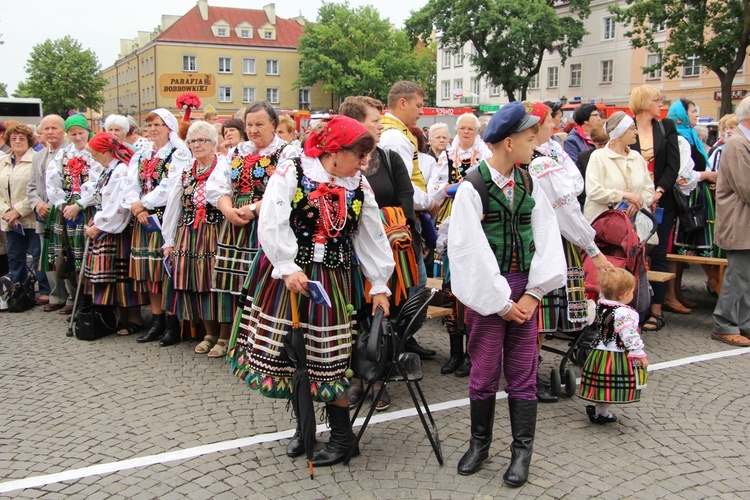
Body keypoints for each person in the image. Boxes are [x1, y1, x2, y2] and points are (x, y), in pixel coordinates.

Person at [228, 116, 394, 467]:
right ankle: (304, 428)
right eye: (358, 155)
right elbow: (273, 219)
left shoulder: (359, 185)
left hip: (333, 279)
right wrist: (287, 265)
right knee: (293, 352)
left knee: (330, 357)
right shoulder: (293, 171)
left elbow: (371, 235)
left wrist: (380, 283)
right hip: (289, 275)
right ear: (335, 152)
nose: (362, 163)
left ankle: (343, 437)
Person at [448, 102, 566, 483]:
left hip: (526, 290)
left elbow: (547, 237)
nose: (536, 145)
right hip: (488, 292)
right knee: (483, 371)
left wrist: (534, 293)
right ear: (510, 142)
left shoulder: (530, 181)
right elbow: (467, 250)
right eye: (531, 139)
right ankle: (479, 444)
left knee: (523, 371)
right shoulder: (473, 187)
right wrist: (498, 302)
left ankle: (521, 452)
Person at [521, 102, 612, 402]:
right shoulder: (539, 162)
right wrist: (591, 247)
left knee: (538, 313)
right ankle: (529, 375)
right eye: (550, 121)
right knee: (539, 315)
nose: (554, 126)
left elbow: (572, 187)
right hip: (552, 241)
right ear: (536, 126)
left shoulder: (543, 155)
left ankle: (530, 371)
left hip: (541, 239)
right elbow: (567, 208)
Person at [339, 95, 417, 411]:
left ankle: (379, 379)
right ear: (356, 124)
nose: (381, 126)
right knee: (355, 316)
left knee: (382, 318)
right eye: (375, 121)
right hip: (349, 256)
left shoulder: (388, 158)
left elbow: (406, 199)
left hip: (388, 248)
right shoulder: (343, 160)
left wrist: (388, 223)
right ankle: (357, 380)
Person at [207, 101, 299, 356]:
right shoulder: (237, 151)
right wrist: (227, 209)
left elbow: (289, 192)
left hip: (268, 224)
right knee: (231, 283)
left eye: (260, 124)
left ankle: (259, 341)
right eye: (249, 125)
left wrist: (255, 209)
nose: (253, 130)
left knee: (261, 283)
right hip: (235, 225)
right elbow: (217, 184)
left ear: (273, 124)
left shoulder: (287, 153)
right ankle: (232, 339)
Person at [428, 112, 492, 377]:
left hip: (476, 218)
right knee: (448, 288)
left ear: (477, 132)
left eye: (471, 129)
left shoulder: (485, 155)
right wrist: (449, 188)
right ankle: (455, 352)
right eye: (463, 128)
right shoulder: (446, 156)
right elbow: (433, 191)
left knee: (471, 290)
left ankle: (471, 354)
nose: (466, 132)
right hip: (449, 218)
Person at [122, 108, 190, 346]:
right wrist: (135, 204)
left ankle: (173, 324)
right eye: (149, 125)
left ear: (168, 127)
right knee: (150, 274)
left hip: (165, 217)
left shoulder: (178, 153)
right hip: (143, 219)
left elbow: (170, 185)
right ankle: (157, 321)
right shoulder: (141, 153)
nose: (152, 130)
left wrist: (144, 203)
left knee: (166, 272)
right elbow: (130, 182)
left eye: (157, 125)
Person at [380, 81, 438, 358]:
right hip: (401, 221)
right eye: (417, 105)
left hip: (400, 219)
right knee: (414, 284)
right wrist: (430, 201)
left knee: (414, 282)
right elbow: (404, 188)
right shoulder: (394, 137)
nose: (420, 112)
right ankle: (398, 342)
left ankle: (404, 339)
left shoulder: (398, 133)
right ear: (402, 103)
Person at [161, 122, 225, 352]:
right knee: (198, 283)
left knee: (218, 282)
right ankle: (209, 332)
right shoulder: (185, 173)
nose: (197, 145)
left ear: (214, 143)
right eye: (192, 141)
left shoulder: (224, 167)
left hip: (218, 232)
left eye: (202, 140)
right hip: (190, 233)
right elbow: (173, 208)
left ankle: (225, 336)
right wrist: (168, 241)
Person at [83, 133, 147, 334]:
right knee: (112, 275)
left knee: (123, 273)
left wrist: (100, 225)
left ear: (105, 152)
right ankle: (120, 316)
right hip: (108, 225)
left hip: (118, 228)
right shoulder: (108, 170)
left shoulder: (120, 171)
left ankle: (134, 318)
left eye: (94, 154)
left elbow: (118, 205)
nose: (93, 158)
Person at [41, 114, 104, 317]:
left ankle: (94, 303)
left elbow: (99, 181)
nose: (77, 137)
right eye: (73, 134)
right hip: (66, 210)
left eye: (80, 133)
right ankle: (80, 301)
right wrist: (61, 203)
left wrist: (80, 203)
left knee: (89, 258)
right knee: (70, 257)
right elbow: (51, 179)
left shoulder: (94, 153)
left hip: (87, 208)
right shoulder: (63, 155)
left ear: (87, 131)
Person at [629, 85, 680, 332]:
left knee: (658, 252)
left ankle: (656, 310)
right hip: (634, 200)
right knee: (632, 252)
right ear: (644, 102)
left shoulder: (666, 126)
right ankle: (633, 307)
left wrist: (658, 192)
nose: (661, 104)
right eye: (657, 100)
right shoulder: (627, 126)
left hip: (661, 200)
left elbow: (673, 165)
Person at [666, 99, 720, 314]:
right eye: (692, 110)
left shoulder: (689, 137)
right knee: (678, 248)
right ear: (681, 114)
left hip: (694, 195)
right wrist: (706, 175)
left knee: (682, 250)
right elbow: (682, 177)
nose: (697, 114)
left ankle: (676, 292)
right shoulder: (680, 140)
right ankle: (670, 294)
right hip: (685, 199)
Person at [578, 267, 648, 424]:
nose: (632, 294)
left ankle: (600, 410)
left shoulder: (601, 304)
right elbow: (629, 335)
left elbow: (604, 293)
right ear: (623, 295)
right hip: (615, 353)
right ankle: (599, 411)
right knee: (614, 385)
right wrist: (638, 353)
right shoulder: (623, 313)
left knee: (604, 383)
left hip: (599, 350)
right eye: (631, 291)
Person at [711, 96, 750, 347]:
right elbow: (746, 187)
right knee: (738, 276)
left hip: (744, 221)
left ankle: (744, 323)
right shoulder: (738, 144)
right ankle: (724, 323)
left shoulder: (742, 142)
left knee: (746, 276)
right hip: (739, 222)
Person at [0, 123, 49, 301]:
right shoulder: (3, 161)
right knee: (14, 255)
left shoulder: (36, 159)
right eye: (13, 138)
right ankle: (18, 289)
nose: (17, 142)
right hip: (10, 220)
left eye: (22, 138)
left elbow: (38, 189)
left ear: (29, 140)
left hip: (30, 217)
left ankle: (44, 290)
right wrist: (7, 212)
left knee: (38, 254)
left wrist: (18, 211)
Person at [27, 115, 68, 311]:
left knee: (66, 254)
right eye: (46, 129)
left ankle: (71, 297)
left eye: (54, 128)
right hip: (43, 214)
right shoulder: (39, 155)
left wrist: (55, 204)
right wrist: (37, 204)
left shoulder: (71, 151)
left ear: (63, 130)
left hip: (62, 212)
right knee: (48, 256)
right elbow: (32, 186)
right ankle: (56, 295)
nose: (50, 132)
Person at [584, 112, 655, 223]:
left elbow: (649, 189)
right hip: (606, 228)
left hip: (635, 226)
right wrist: (624, 196)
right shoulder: (599, 157)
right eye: (632, 128)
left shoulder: (636, 157)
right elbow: (593, 192)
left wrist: (638, 202)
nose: (636, 132)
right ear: (620, 132)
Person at [575, 124, 609, 208]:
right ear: (593, 142)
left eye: (606, 144)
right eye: (600, 145)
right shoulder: (584, 157)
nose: (603, 148)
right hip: (594, 203)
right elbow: (581, 185)